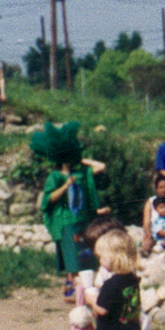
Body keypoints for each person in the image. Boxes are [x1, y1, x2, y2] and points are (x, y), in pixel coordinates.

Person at [31, 122, 108, 301]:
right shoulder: (55, 177)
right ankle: (74, 289)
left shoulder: (81, 173)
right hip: (66, 223)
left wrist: (81, 160)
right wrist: (66, 186)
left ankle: (79, 290)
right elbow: (48, 199)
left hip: (83, 221)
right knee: (72, 257)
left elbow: (101, 166)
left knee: (85, 256)